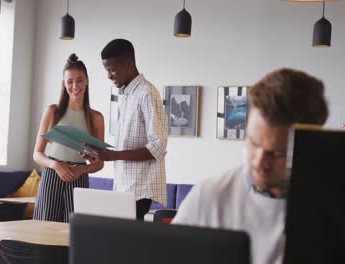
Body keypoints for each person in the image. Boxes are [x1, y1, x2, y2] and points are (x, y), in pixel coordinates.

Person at [172, 68, 329, 264]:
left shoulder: (332, 206)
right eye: (254, 143)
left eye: (277, 154)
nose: (259, 162)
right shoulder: (209, 197)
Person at [86, 39, 168, 220]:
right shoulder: (126, 95)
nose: (108, 75)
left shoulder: (147, 93)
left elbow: (158, 147)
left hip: (139, 189)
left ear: (128, 63)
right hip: (125, 187)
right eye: (106, 70)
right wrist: (100, 154)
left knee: (128, 245)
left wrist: (112, 155)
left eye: (112, 69)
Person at [32, 54, 104, 223]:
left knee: (74, 235)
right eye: (69, 81)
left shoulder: (96, 118)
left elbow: (99, 162)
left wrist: (80, 170)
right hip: (52, 175)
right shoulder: (52, 112)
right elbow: (37, 154)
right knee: (45, 231)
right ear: (64, 84)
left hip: (78, 178)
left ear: (86, 81)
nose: (75, 86)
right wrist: (56, 165)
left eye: (79, 80)